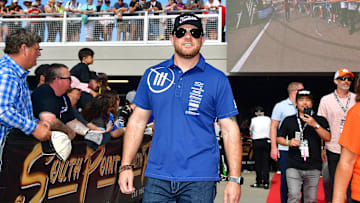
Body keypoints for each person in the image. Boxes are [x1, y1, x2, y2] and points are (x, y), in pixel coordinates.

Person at [118, 13, 242, 203]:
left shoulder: (217, 79)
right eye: (181, 31)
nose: (188, 36)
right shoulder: (152, 74)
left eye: (195, 32)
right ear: (172, 38)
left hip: (200, 178)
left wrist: (234, 179)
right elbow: (137, 122)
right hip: (158, 176)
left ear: (203, 39)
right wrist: (126, 166)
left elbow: (230, 129)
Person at [0, 28, 51, 168]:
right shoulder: (7, 73)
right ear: (24, 48)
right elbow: (2, 111)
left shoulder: (17, 75)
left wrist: (37, 123)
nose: (39, 53)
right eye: (37, 49)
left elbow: (17, 113)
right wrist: (34, 128)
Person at [31, 63, 111, 151]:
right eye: (69, 78)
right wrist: (68, 131)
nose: (71, 81)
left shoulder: (63, 96)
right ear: (58, 80)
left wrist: (89, 133)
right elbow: (49, 120)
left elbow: (71, 121)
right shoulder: (44, 91)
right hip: (37, 148)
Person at [277, 89, 331, 203]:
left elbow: (328, 137)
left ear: (312, 103)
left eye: (308, 100)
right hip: (293, 165)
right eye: (301, 100)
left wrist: (315, 125)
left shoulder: (320, 120)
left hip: (313, 166)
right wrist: (288, 142)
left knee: (311, 199)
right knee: (293, 196)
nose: (305, 103)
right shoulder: (289, 120)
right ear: (296, 103)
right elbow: (279, 138)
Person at [317, 68, 355, 203]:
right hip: (333, 148)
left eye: (349, 79)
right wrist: (322, 147)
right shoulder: (326, 100)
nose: (346, 81)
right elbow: (321, 125)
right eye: (343, 78)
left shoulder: (356, 99)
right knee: (333, 183)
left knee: (353, 185)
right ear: (335, 81)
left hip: (352, 148)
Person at [270, 82, 304, 203]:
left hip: (302, 149)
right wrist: (274, 147)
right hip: (285, 150)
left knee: (304, 179)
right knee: (285, 179)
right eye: (302, 91)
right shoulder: (281, 106)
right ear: (295, 92)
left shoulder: (305, 106)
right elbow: (273, 127)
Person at [333, 74, 360, 203]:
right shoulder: (357, 113)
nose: (346, 81)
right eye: (343, 78)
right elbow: (346, 162)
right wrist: (337, 200)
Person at [249, 106, 271, 189]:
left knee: (258, 162)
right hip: (266, 141)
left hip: (256, 141)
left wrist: (252, 137)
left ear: (255, 113)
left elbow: (251, 130)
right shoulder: (268, 119)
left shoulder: (253, 120)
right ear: (263, 112)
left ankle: (258, 181)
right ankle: (266, 182)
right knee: (265, 162)